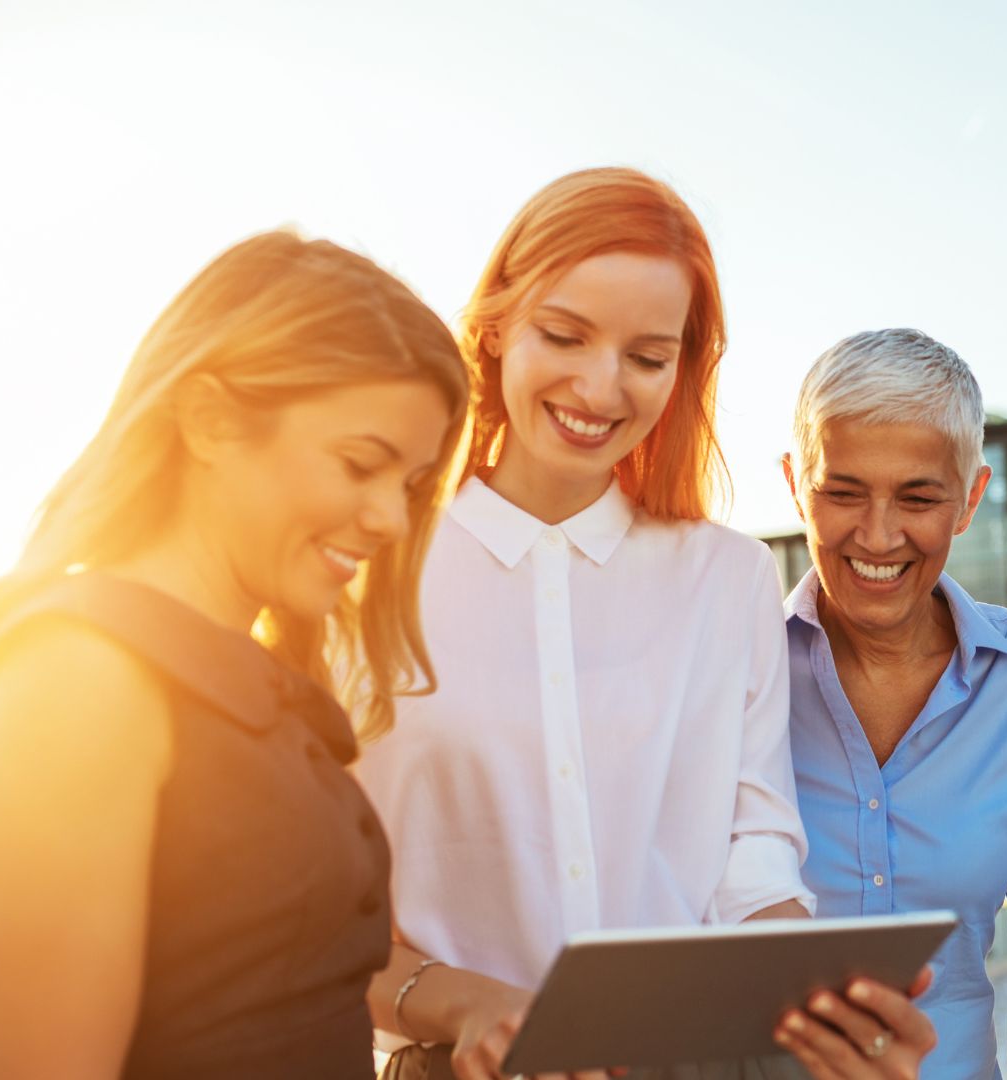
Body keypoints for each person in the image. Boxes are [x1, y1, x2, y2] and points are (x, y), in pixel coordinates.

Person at [354, 169, 933, 1080]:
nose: (600, 386)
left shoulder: (727, 577)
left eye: (647, 355)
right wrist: (476, 1007)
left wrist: (828, 1008)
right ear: (497, 324)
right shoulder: (370, 564)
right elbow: (315, 922)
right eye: (564, 334)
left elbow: (754, 860)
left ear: (684, 368)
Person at [0, 231, 470, 1080]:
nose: (391, 520)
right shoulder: (75, 681)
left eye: (409, 485)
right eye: (360, 464)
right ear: (210, 419)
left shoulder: (263, 685)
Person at [781, 329, 1007, 1079]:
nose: (878, 536)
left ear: (971, 497)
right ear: (794, 485)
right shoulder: (733, 668)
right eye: (842, 492)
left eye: (918, 497)